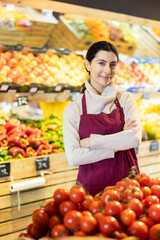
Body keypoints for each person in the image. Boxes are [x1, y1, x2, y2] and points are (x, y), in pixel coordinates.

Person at [63, 41, 142, 196]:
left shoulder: (125, 99)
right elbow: (73, 157)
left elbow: (134, 138)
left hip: (128, 189)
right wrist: (119, 143)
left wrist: (91, 142)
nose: (107, 70)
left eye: (112, 65)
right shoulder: (74, 109)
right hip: (90, 192)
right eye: (101, 63)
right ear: (87, 64)